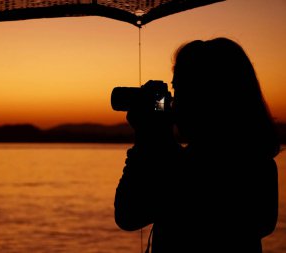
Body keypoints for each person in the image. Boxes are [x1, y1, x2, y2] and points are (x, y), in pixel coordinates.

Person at [114, 37, 280, 253]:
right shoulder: (259, 165)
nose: (174, 101)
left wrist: (148, 138)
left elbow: (129, 214)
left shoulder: (195, 167)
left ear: (210, 96)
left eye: (182, 89)